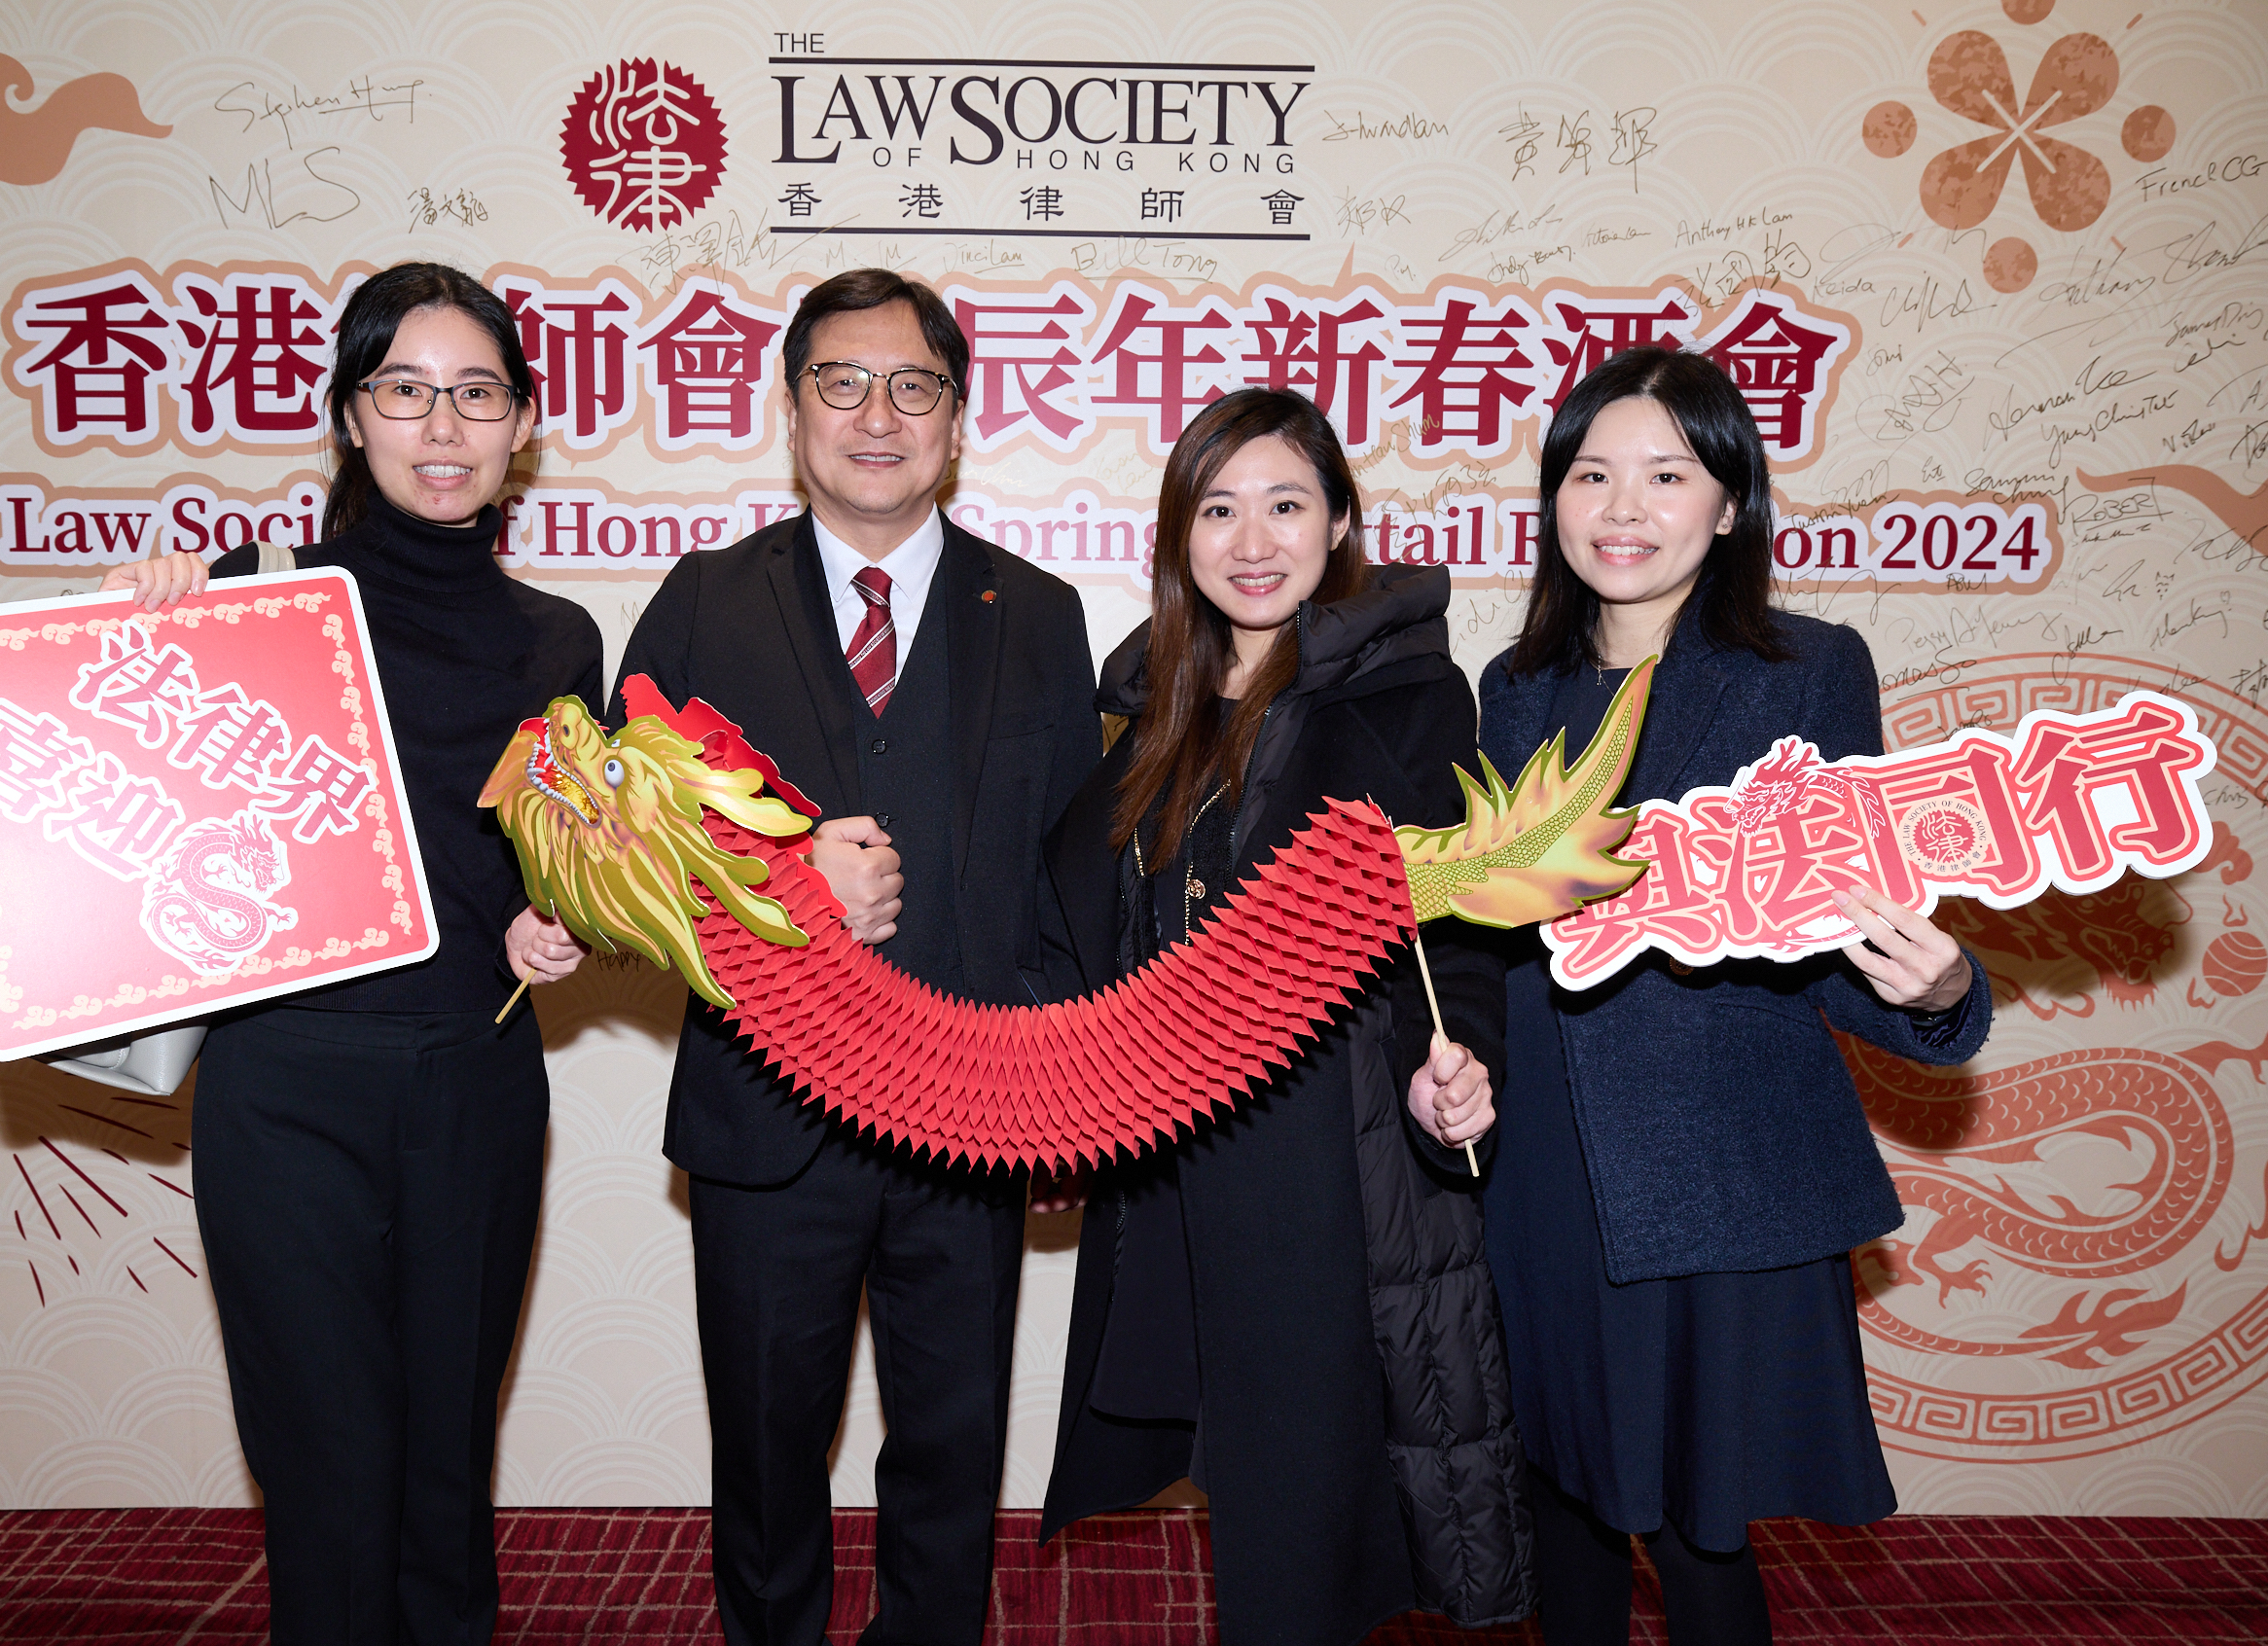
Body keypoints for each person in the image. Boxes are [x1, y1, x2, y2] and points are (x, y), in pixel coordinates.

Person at [102, 262, 605, 1644]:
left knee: (447, 1452)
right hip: (286, 1086)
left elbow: (555, 861)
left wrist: (554, 918)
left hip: (475, 1081)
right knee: (325, 1459)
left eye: (477, 395)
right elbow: (111, 787)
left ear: (522, 426)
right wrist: (139, 618)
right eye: (404, 392)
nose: (442, 429)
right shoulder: (252, 598)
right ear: (349, 416)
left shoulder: (558, 640)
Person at [615, 268, 1102, 1646]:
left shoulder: (1039, 613)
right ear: (792, 408)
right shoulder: (705, 602)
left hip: (970, 1118)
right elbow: (619, 847)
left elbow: (1068, 884)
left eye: (913, 386)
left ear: (957, 414)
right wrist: (782, 879)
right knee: (767, 1450)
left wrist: (1056, 1100)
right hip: (766, 1118)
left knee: (952, 1450)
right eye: (841, 381)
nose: (876, 415)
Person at [1476, 346, 1993, 1646]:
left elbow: (1842, 933)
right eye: (1590, 475)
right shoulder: (1512, 688)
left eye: (1666, 475)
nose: (1623, 508)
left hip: (1719, 1170)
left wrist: (1937, 989)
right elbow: (1486, 945)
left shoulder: (1802, 671)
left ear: (1727, 505)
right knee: (1557, 1504)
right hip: (1541, 1171)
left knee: (1698, 1526)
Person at [1037, 388, 1534, 1646]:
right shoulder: (1149, 706)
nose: (1251, 542)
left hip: (1314, 1155)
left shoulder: (1407, 695)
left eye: (1285, 506)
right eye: (1218, 510)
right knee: (1221, 1469)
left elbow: (1456, 924)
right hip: (1168, 1162)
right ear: (1179, 535)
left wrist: (1453, 1060)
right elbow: (1100, 920)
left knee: (1299, 1512)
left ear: (1340, 523)